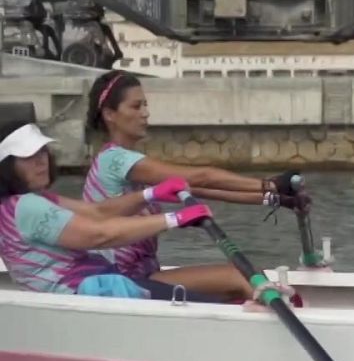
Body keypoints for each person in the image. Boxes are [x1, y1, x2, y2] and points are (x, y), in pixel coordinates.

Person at [81, 70, 295, 302]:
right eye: (136, 106)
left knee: (248, 279)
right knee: (243, 278)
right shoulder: (115, 160)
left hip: (144, 275)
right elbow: (201, 177)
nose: (145, 113)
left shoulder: (132, 164)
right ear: (110, 114)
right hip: (120, 282)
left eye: (145, 105)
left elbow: (204, 190)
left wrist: (274, 197)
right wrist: (269, 184)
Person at [0, 119, 215, 300]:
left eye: (42, 151)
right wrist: (174, 219)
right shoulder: (25, 206)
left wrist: (151, 194)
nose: (40, 161)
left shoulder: (27, 202)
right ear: (7, 166)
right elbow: (99, 235)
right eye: (27, 156)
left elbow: (98, 213)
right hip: (90, 296)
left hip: (99, 288)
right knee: (215, 304)